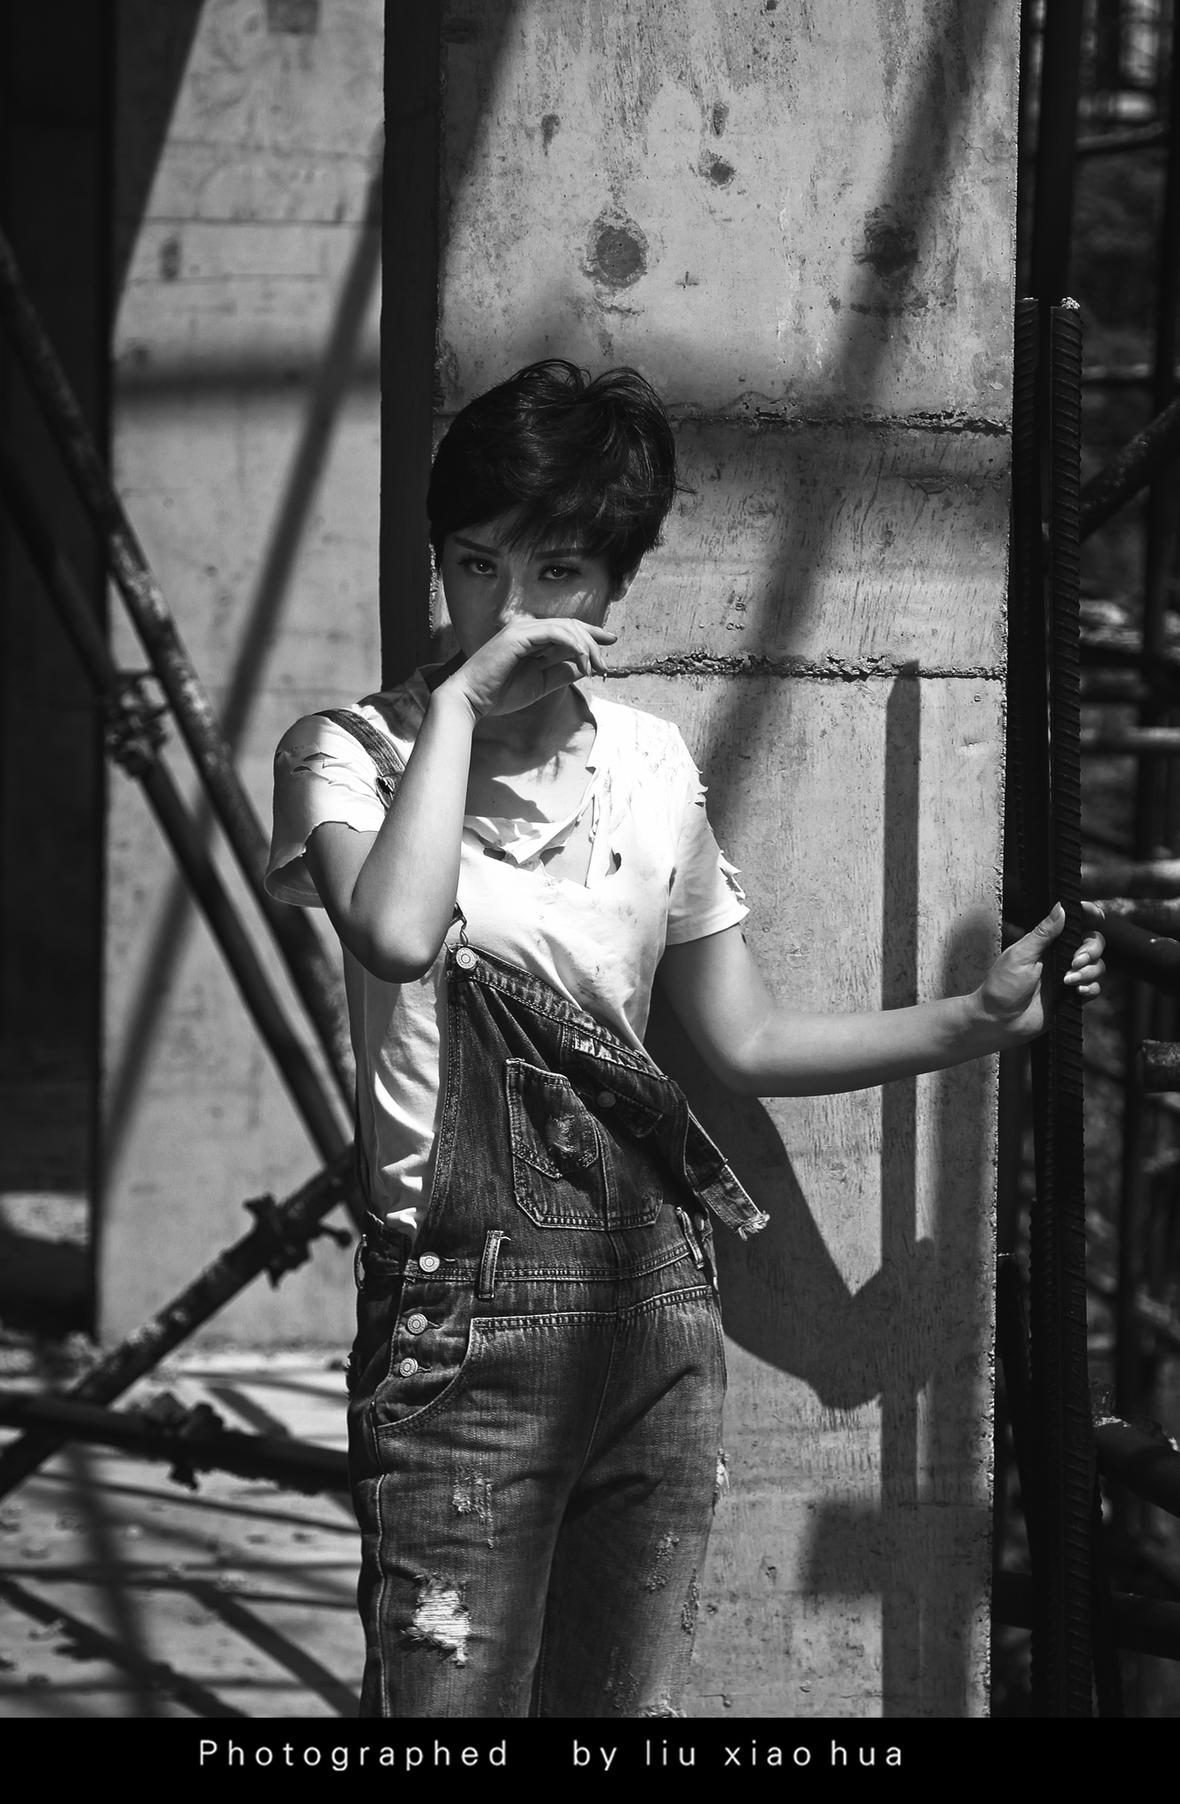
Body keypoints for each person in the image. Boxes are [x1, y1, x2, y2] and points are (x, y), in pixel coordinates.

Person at [266, 359, 1104, 1719]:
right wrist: (461, 707)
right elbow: (400, 934)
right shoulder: (349, 754)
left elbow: (744, 1038)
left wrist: (976, 1021)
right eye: (476, 565)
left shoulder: (650, 768)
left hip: (656, 1313)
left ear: (611, 591)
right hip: (457, 1319)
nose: (508, 611)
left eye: (555, 574)